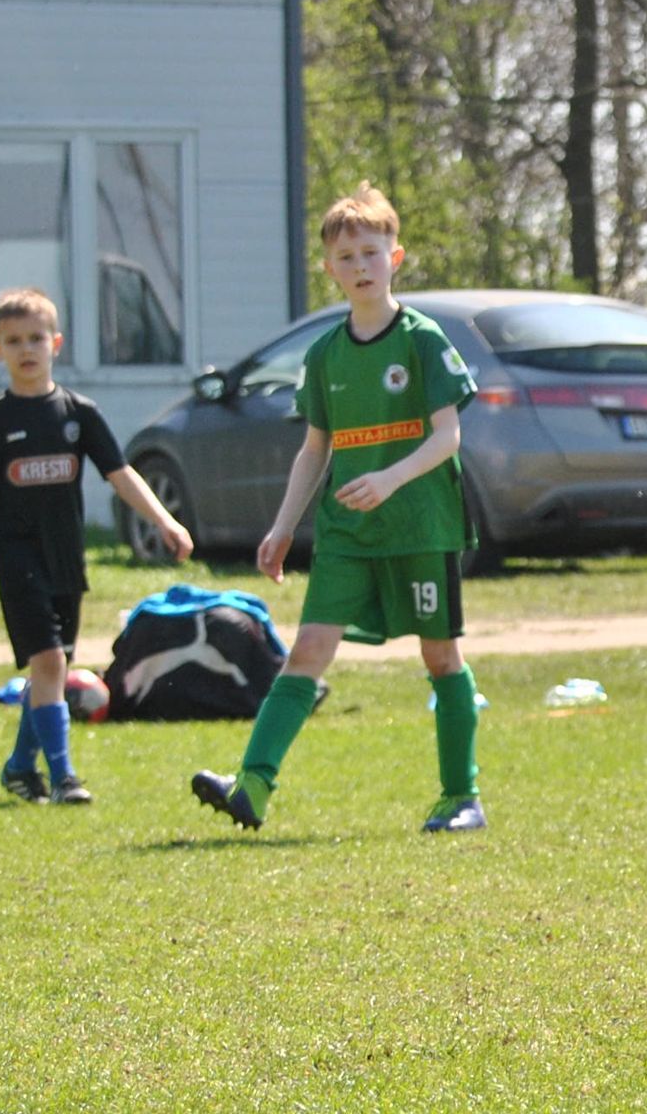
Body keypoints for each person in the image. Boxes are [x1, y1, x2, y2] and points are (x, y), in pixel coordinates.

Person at [191, 181, 487, 834]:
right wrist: (282, 523)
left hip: (421, 526)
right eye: (346, 257)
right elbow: (314, 449)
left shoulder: (422, 339)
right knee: (308, 652)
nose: (360, 267)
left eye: (371, 253)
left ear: (396, 257)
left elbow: (448, 438)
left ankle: (461, 797)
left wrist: (390, 479)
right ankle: (253, 787)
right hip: (347, 532)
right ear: (329, 269)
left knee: (440, 658)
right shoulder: (324, 354)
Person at [0, 288, 193, 805]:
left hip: (66, 555)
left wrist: (166, 522)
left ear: (55, 343)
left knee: (52, 666)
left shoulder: (78, 413)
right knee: (50, 664)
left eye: (35, 338)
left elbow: (121, 474)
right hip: (16, 555)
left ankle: (20, 767)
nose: (26, 349)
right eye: (13, 341)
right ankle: (64, 778)